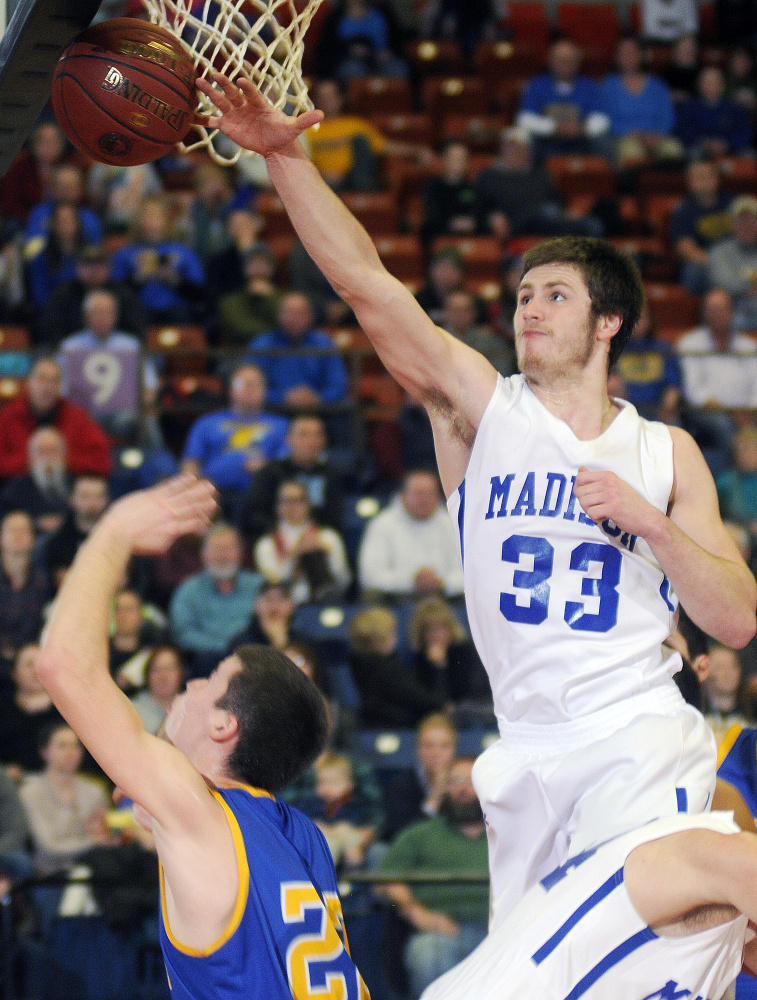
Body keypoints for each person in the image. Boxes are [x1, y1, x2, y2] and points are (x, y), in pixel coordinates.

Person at [195, 71, 756, 929]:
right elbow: (370, 287)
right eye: (523, 295)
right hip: (523, 746)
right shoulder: (482, 409)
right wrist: (285, 160)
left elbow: (737, 617)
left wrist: (647, 525)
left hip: (634, 730)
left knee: (640, 947)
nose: (528, 309)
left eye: (554, 296)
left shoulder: (664, 451)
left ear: (608, 323)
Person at [35, 475, 369, 999]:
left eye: (209, 679)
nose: (190, 681)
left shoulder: (201, 812)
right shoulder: (305, 837)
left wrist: (114, 532)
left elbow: (61, 667)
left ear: (223, 726)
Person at [378, 757, 489, 999]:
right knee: (426, 955)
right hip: (440, 932)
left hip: (502, 930)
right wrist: (416, 912)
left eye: (471, 781)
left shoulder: (509, 831)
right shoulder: (420, 834)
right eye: (455, 781)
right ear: (444, 789)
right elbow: (386, 882)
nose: (462, 789)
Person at [475, 126, 604, 245]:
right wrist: (491, 218)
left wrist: (567, 213)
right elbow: (479, 209)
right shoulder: (488, 176)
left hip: (548, 225)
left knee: (592, 224)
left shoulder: (540, 175)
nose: (515, 152)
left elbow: (557, 202)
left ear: (528, 151)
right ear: (501, 150)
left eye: (520, 148)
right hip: (515, 227)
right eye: (510, 147)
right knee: (546, 213)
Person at [169, 522, 262, 677]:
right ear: (203, 553)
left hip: (253, 662)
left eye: (229, 549)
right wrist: (228, 648)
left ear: (240, 553)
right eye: (216, 549)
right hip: (206, 663)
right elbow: (183, 633)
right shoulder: (188, 590)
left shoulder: (258, 587)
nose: (223, 555)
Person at [181, 363, 289, 496]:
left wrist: (265, 468)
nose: (250, 389)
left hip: (263, 495)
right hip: (212, 493)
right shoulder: (206, 423)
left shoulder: (281, 426)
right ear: (231, 389)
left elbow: (287, 464)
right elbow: (191, 463)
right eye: (243, 383)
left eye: (256, 384)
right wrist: (192, 489)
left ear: (265, 390)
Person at [357, 469, 463, 601]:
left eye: (429, 494)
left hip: (445, 596)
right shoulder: (382, 525)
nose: (424, 499)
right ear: (403, 495)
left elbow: (469, 574)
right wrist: (411, 581)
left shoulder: (453, 524)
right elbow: (370, 577)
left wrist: (442, 582)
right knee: (373, 597)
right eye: (418, 493)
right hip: (398, 597)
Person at [0, 357, 112, 482]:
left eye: (54, 380)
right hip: (14, 492)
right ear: (28, 383)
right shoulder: (7, 418)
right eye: (42, 379)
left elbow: (102, 462)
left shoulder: (77, 418)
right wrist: (30, 461)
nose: (47, 387)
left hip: (66, 492)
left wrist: (63, 461)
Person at [240, 413, 345, 545]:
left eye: (316, 435)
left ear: (324, 440)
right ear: (288, 439)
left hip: (317, 540)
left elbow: (334, 517)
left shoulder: (331, 474)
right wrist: (282, 534)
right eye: (303, 434)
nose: (311, 441)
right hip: (276, 540)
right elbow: (254, 514)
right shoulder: (270, 472)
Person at [244, 292, 349, 411]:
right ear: (279, 316)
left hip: (319, 409)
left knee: (347, 413)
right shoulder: (262, 345)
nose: (294, 318)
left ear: (310, 316)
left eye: (300, 313)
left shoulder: (324, 344)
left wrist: (318, 399)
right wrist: (282, 398)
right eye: (289, 312)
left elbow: (338, 385)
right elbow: (250, 386)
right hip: (274, 409)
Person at [253, 479, 351, 605]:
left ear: (308, 504)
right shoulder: (266, 544)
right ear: (277, 507)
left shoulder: (329, 537)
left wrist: (325, 554)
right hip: (286, 604)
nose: (293, 506)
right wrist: (296, 555)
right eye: (287, 501)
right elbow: (272, 584)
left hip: (325, 602)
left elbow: (344, 580)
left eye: (299, 500)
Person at [347, 605, 448, 728]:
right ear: (379, 638)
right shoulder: (384, 668)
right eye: (392, 631)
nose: (395, 637)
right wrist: (437, 666)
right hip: (398, 727)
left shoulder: (361, 664)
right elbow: (428, 702)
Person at [516, 38, 611, 162]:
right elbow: (525, 118)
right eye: (560, 60)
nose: (565, 64)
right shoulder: (537, 85)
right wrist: (555, 127)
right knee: (524, 138)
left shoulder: (588, 86)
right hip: (546, 141)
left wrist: (581, 128)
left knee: (604, 140)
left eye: (570, 60)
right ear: (550, 61)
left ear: (578, 62)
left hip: (580, 141)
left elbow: (601, 119)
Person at [598, 35, 686, 168]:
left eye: (633, 52)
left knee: (674, 151)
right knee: (633, 154)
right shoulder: (608, 86)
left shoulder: (658, 85)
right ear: (616, 57)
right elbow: (608, 120)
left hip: (658, 137)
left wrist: (657, 135)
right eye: (624, 53)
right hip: (625, 138)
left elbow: (668, 117)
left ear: (641, 55)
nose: (629, 57)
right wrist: (636, 135)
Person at [36, 243, 147, 347]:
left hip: (116, 349)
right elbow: (51, 329)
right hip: (74, 350)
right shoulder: (63, 294)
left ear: (109, 268)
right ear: (77, 268)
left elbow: (136, 329)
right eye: (88, 265)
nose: (94, 270)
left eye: (99, 265)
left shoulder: (123, 294)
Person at [382, 712, 458, 842]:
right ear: (417, 749)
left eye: (444, 746)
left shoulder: (467, 784)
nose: (436, 753)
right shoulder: (401, 785)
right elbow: (398, 836)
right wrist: (433, 801)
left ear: (454, 750)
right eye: (428, 746)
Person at [0, 511, 50, 686]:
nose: (18, 536)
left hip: (31, 659)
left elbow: (45, 624)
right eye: (12, 530)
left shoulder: (43, 580)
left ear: (33, 539)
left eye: (24, 530)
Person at [670, 158, 733, 295]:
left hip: (736, 258)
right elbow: (686, 249)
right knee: (693, 272)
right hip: (706, 264)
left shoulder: (733, 204)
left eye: (708, 176)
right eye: (699, 177)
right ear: (689, 182)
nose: (704, 180)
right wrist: (719, 263)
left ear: (717, 179)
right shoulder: (683, 211)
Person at [0, 644, 62, 779]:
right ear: (14, 673)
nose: (36, 670)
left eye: (41, 664)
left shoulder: (65, 709)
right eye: (29, 664)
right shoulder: (3, 708)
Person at [615, 300, 682, 422]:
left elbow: (673, 386)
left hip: (657, 411)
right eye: (634, 317)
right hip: (623, 411)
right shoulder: (615, 349)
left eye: (643, 317)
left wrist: (668, 406)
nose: (638, 322)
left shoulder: (663, 348)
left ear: (651, 319)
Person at [0, 427, 71, 535]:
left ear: (64, 454)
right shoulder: (14, 492)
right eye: (41, 451)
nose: (48, 457)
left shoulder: (76, 485)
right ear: (31, 457)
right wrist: (36, 522)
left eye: (53, 450)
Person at [42, 474, 109, 588]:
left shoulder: (117, 539)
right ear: (72, 499)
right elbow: (63, 582)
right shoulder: (57, 542)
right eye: (85, 496)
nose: (92, 503)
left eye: (98, 496)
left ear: (106, 500)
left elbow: (123, 580)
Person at [675, 65, 755, 159]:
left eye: (714, 82)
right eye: (707, 82)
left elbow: (746, 133)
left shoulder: (734, 107)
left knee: (750, 156)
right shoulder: (689, 107)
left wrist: (727, 144)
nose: (710, 85)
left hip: (732, 149)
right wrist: (704, 142)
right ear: (699, 85)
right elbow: (681, 131)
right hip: (698, 149)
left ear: (722, 85)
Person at [439, 289, 516, 379]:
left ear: (473, 313)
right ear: (445, 312)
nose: (459, 315)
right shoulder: (436, 338)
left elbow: (503, 365)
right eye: (454, 309)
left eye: (464, 310)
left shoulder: (488, 339)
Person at [708, 194, 757, 333]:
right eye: (741, 220)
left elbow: (735, 285)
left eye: (752, 220)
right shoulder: (719, 252)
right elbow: (725, 285)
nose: (746, 225)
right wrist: (752, 286)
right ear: (731, 224)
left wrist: (743, 286)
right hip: (734, 316)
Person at [421, 141, 484, 247]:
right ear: (445, 160)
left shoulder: (475, 189)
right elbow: (432, 219)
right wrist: (452, 224)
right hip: (440, 239)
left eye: (462, 159)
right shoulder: (432, 187)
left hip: (470, 240)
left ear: (468, 163)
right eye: (454, 158)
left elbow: (480, 217)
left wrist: (472, 223)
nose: (458, 162)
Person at [129, 644, 185, 735]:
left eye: (170, 669)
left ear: (180, 673)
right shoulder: (131, 709)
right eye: (156, 669)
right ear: (147, 674)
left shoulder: (192, 707)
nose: (163, 676)